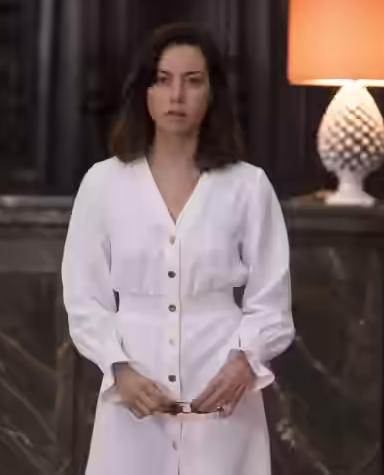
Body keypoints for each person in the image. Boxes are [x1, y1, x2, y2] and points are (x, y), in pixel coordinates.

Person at [61, 23, 295, 475]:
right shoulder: (102, 184)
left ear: (212, 93)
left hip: (224, 400)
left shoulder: (248, 186)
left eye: (193, 81)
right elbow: (83, 298)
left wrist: (245, 362)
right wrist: (119, 369)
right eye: (163, 80)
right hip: (133, 403)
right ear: (143, 91)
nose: (177, 96)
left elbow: (272, 300)